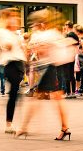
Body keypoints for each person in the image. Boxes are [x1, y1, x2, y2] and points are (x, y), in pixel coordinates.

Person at [16, 9, 71, 141]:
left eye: (35, 24)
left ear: (42, 24)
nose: (33, 26)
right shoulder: (52, 34)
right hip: (50, 68)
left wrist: (36, 47)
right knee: (49, 98)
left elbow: (41, 51)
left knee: (42, 98)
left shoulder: (48, 34)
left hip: (48, 68)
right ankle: (64, 128)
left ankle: (24, 127)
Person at [0, 8, 27, 134]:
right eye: (13, 16)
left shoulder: (16, 33)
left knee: (16, 94)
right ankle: (9, 124)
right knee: (14, 93)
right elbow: (6, 46)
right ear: (7, 19)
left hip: (19, 64)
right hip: (10, 64)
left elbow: (22, 48)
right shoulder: (2, 32)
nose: (16, 19)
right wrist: (10, 44)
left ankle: (12, 123)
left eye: (17, 17)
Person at [62, 22, 79, 99]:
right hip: (72, 56)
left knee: (67, 75)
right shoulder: (75, 35)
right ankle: (72, 92)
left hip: (67, 56)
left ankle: (68, 92)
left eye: (65, 25)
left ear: (67, 26)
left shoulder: (69, 35)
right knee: (71, 75)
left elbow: (65, 44)